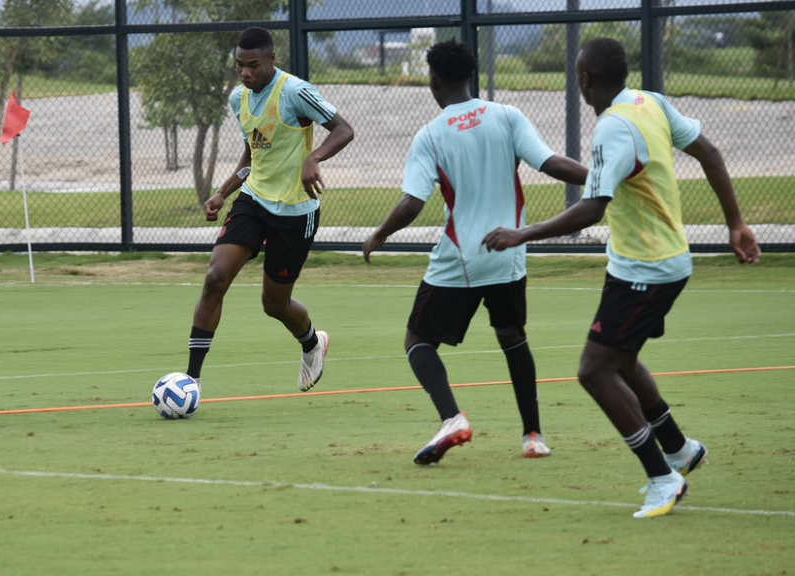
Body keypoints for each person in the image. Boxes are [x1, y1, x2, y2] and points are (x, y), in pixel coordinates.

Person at [482, 38, 760, 518]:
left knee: (594, 371)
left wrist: (521, 234)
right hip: (654, 262)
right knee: (623, 360)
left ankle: (661, 477)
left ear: (585, 80)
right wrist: (736, 222)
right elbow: (710, 152)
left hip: (645, 271)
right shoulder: (650, 102)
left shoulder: (612, 127)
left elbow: (590, 210)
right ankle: (679, 449)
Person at [362, 40, 589, 465]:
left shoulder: (430, 135)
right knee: (513, 339)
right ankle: (533, 436)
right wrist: (600, 181)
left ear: (433, 80)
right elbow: (553, 163)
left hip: (459, 260)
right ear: (471, 76)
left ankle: (452, 418)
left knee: (417, 339)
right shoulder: (506, 116)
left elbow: (412, 202)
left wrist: (379, 234)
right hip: (509, 251)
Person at [185, 27, 354, 392]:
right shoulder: (238, 99)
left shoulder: (294, 91)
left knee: (274, 304)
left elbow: (344, 130)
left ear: (271, 60)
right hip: (253, 200)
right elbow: (253, 153)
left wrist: (314, 157)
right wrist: (223, 192)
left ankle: (312, 343)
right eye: (239, 66)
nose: (245, 73)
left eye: (253, 66)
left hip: (295, 212)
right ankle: (191, 380)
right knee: (215, 278)